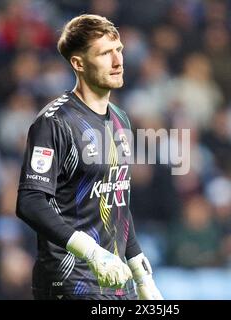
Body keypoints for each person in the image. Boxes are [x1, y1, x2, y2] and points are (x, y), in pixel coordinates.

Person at [16, 14, 163, 300]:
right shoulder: (55, 122)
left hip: (117, 283)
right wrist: (91, 252)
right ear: (78, 63)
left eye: (119, 50)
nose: (118, 61)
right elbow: (30, 201)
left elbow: (117, 202)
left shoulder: (121, 120)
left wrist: (140, 271)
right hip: (70, 282)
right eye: (105, 53)